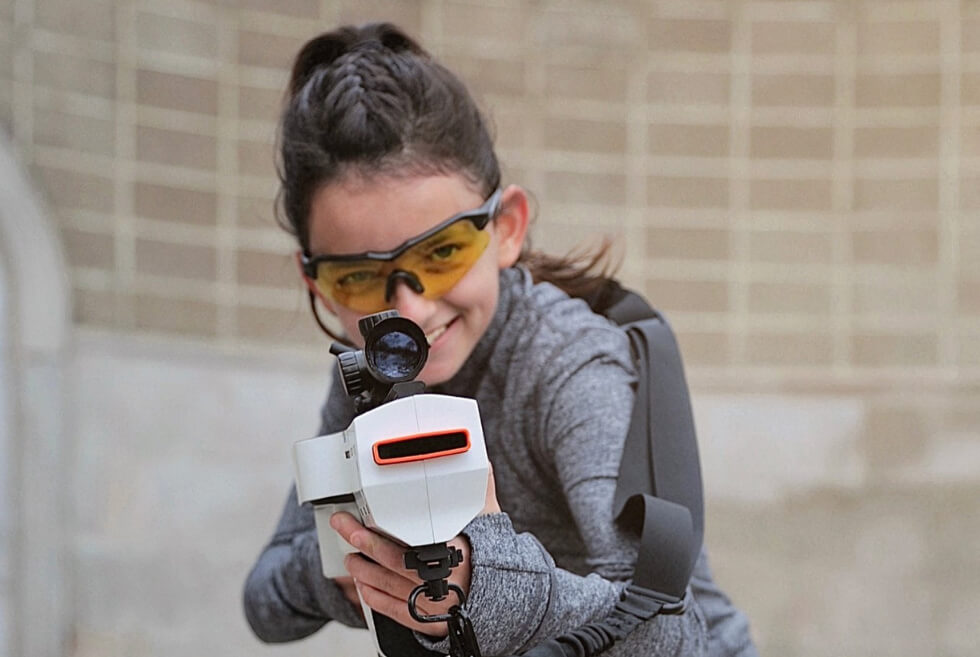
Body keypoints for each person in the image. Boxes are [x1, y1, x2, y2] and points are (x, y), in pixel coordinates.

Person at [243, 21, 756, 657]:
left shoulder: (567, 365)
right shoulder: (372, 370)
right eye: (359, 278)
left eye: (442, 253)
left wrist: (485, 583)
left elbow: (672, 632)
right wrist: (356, 562)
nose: (410, 312)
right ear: (318, 284)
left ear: (507, 228)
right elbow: (264, 601)